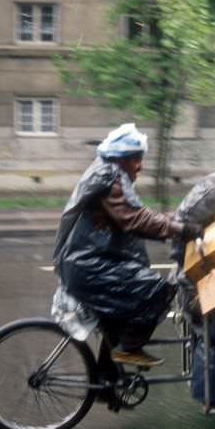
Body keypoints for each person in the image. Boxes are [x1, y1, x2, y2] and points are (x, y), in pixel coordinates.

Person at [53, 123, 202, 367]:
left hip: (86, 264)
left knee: (115, 322)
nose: (139, 166)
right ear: (120, 159)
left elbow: (136, 215)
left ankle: (107, 385)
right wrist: (182, 230)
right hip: (89, 268)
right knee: (156, 290)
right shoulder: (109, 178)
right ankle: (130, 348)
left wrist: (171, 223)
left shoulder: (108, 174)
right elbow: (134, 219)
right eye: (135, 159)